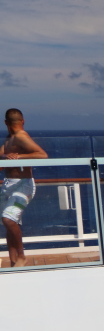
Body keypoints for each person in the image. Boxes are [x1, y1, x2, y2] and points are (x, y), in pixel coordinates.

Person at [0, 109, 47, 267]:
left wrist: (19, 156)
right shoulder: (8, 139)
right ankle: (13, 262)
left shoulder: (21, 136)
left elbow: (42, 155)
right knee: (9, 222)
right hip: (8, 184)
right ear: (23, 121)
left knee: (8, 219)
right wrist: (6, 157)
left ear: (5, 122)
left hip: (23, 184)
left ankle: (21, 256)